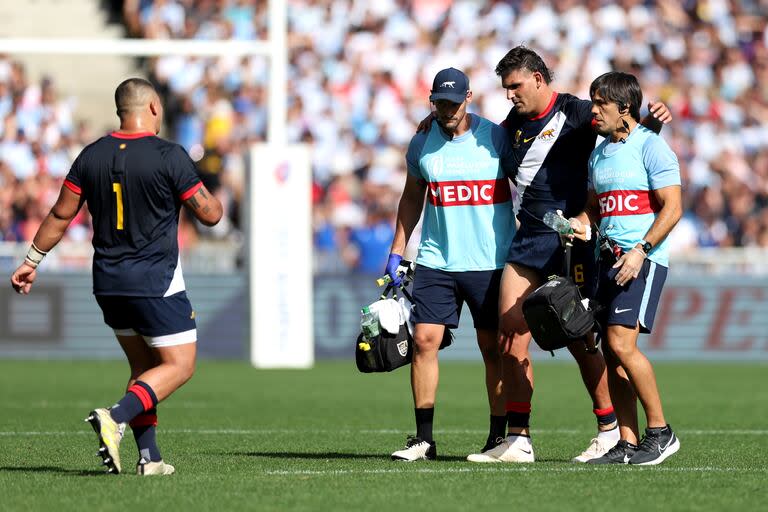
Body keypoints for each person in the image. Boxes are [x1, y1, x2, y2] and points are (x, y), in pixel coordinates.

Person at [467, 46, 672, 464]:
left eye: (515, 86)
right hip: (529, 245)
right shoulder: (509, 129)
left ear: (538, 79)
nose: (510, 95)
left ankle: (609, 429)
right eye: (506, 88)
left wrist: (652, 123)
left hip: (574, 243)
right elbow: (468, 136)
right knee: (510, 335)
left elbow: (626, 142)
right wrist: (434, 121)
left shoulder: (579, 113)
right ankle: (519, 439)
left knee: (583, 340)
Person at [10, 78, 223, 475]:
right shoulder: (169, 155)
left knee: (144, 368)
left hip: (108, 283)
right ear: (155, 108)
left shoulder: (91, 155)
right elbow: (210, 214)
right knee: (179, 365)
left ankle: (150, 458)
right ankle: (116, 416)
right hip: (155, 281)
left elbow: (61, 214)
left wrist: (32, 260)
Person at [387, 68, 517, 461]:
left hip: (491, 260)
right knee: (424, 341)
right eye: (439, 103)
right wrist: (397, 250)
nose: (446, 109)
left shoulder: (496, 137)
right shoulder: (422, 142)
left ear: (469, 98)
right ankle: (423, 439)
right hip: (435, 259)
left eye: (452, 102)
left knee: (492, 348)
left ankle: (498, 438)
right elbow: (411, 198)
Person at [567, 71, 682, 465]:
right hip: (606, 260)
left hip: (641, 259)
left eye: (601, 103)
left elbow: (673, 207)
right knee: (612, 355)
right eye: (592, 102)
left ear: (625, 108)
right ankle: (628, 443)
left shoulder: (651, 147)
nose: (593, 111)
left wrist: (641, 250)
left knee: (620, 344)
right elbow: (595, 208)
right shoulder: (599, 154)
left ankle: (661, 433)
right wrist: (579, 224)